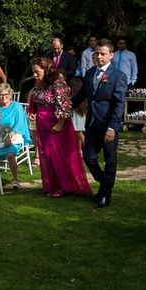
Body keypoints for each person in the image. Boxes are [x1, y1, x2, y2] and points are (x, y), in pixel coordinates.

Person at [72, 39, 128, 208]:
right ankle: (105, 183)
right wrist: (65, 107)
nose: (99, 56)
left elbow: (119, 104)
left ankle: (105, 194)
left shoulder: (119, 76)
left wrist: (112, 127)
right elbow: (81, 95)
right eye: (97, 53)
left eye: (102, 53)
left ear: (111, 55)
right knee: (89, 157)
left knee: (110, 160)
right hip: (92, 123)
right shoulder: (89, 73)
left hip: (108, 125)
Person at [28, 56, 91, 198]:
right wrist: (33, 113)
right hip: (42, 125)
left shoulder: (58, 84)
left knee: (55, 155)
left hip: (56, 125)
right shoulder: (39, 84)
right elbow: (36, 100)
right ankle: (53, 184)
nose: (34, 74)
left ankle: (65, 186)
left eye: (37, 71)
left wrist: (60, 124)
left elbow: (65, 106)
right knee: (47, 157)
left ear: (46, 69)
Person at [0, 83, 32, 191]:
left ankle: (15, 179)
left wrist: (9, 136)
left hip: (15, 135)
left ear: (10, 95)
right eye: (1, 95)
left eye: (6, 94)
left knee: (10, 154)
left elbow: (19, 124)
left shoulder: (17, 106)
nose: (3, 97)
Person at [70, 77, 87, 151]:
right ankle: (80, 151)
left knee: (79, 134)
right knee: (79, 135)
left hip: (77, 119)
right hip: (82, 117)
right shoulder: (84, 98)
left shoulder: (73, 98)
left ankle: (86, 149)